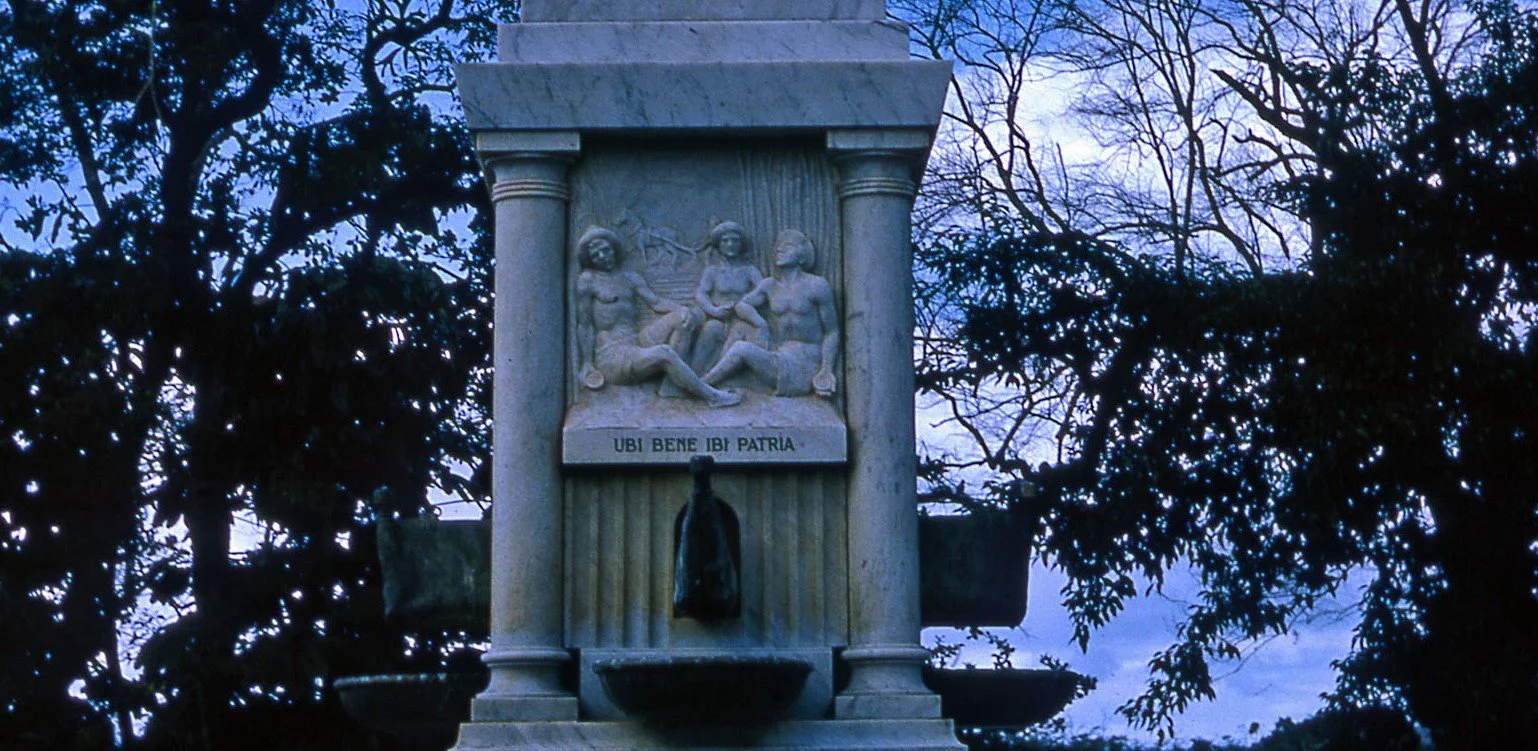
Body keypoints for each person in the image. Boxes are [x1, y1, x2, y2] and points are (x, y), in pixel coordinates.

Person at [573, 226, 742, 408]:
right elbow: (585, 325)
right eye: (595, 254)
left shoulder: (630, 277)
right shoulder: (588, 281)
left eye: (605, 250)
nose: (602, 256)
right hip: (613, 356)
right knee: (664, 352)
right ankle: (712, 396)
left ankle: (671, 386)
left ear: (613, 249)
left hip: (635, 343)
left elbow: (656, 303)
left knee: (684, 318)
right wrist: (587, 364)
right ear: (589, 259)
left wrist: (682, 309)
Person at [702, 229, 839, 398]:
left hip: (804, 362)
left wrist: (826, 369)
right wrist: (761, 324)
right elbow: (742, 305)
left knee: (741, 348)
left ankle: (702, 386)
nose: (779, 250)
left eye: (788, 247)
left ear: (802, 256)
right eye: (778, 248)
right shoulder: (770, 285)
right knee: (741, 327)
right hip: (779, 351)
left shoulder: (817, 285)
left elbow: (832, 331)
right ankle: (723, 378)